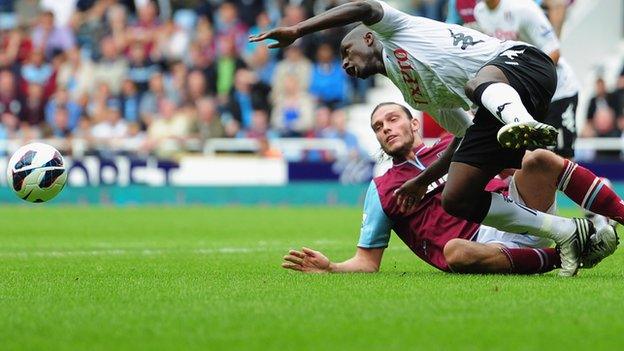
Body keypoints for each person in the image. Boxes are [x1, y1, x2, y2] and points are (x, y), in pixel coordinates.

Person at [249, 0, 618, 276]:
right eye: (378, 127)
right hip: (497, 119)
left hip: (525, 65)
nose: (346, 63)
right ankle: (571, 233)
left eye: (347, 52)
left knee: (479, 86)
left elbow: (362, 5)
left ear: (367, 35)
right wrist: (423, 181)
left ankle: (521, 123)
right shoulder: (415, 98)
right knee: (459, 195)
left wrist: (298, 32)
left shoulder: (395, 29)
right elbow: (464, 132)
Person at [282, 103, 619, 274]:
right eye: (378, 127)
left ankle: (611, 213)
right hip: (477, 249)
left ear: (414, 123)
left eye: (392, 119)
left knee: (538, 159)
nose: (386, 128)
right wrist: (332, 267)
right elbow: (367, 262)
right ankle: (571, 251)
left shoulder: (449, 146)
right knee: (455, 251)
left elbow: (513, 168)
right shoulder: (382, 189)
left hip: (517, 214)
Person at [473, 0, 580, 159]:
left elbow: (554, 52)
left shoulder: (523, 8)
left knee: (560, 159)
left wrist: (523, 78)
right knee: (529, 158)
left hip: (558, 92)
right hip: (525, 95)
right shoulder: (480, 12)